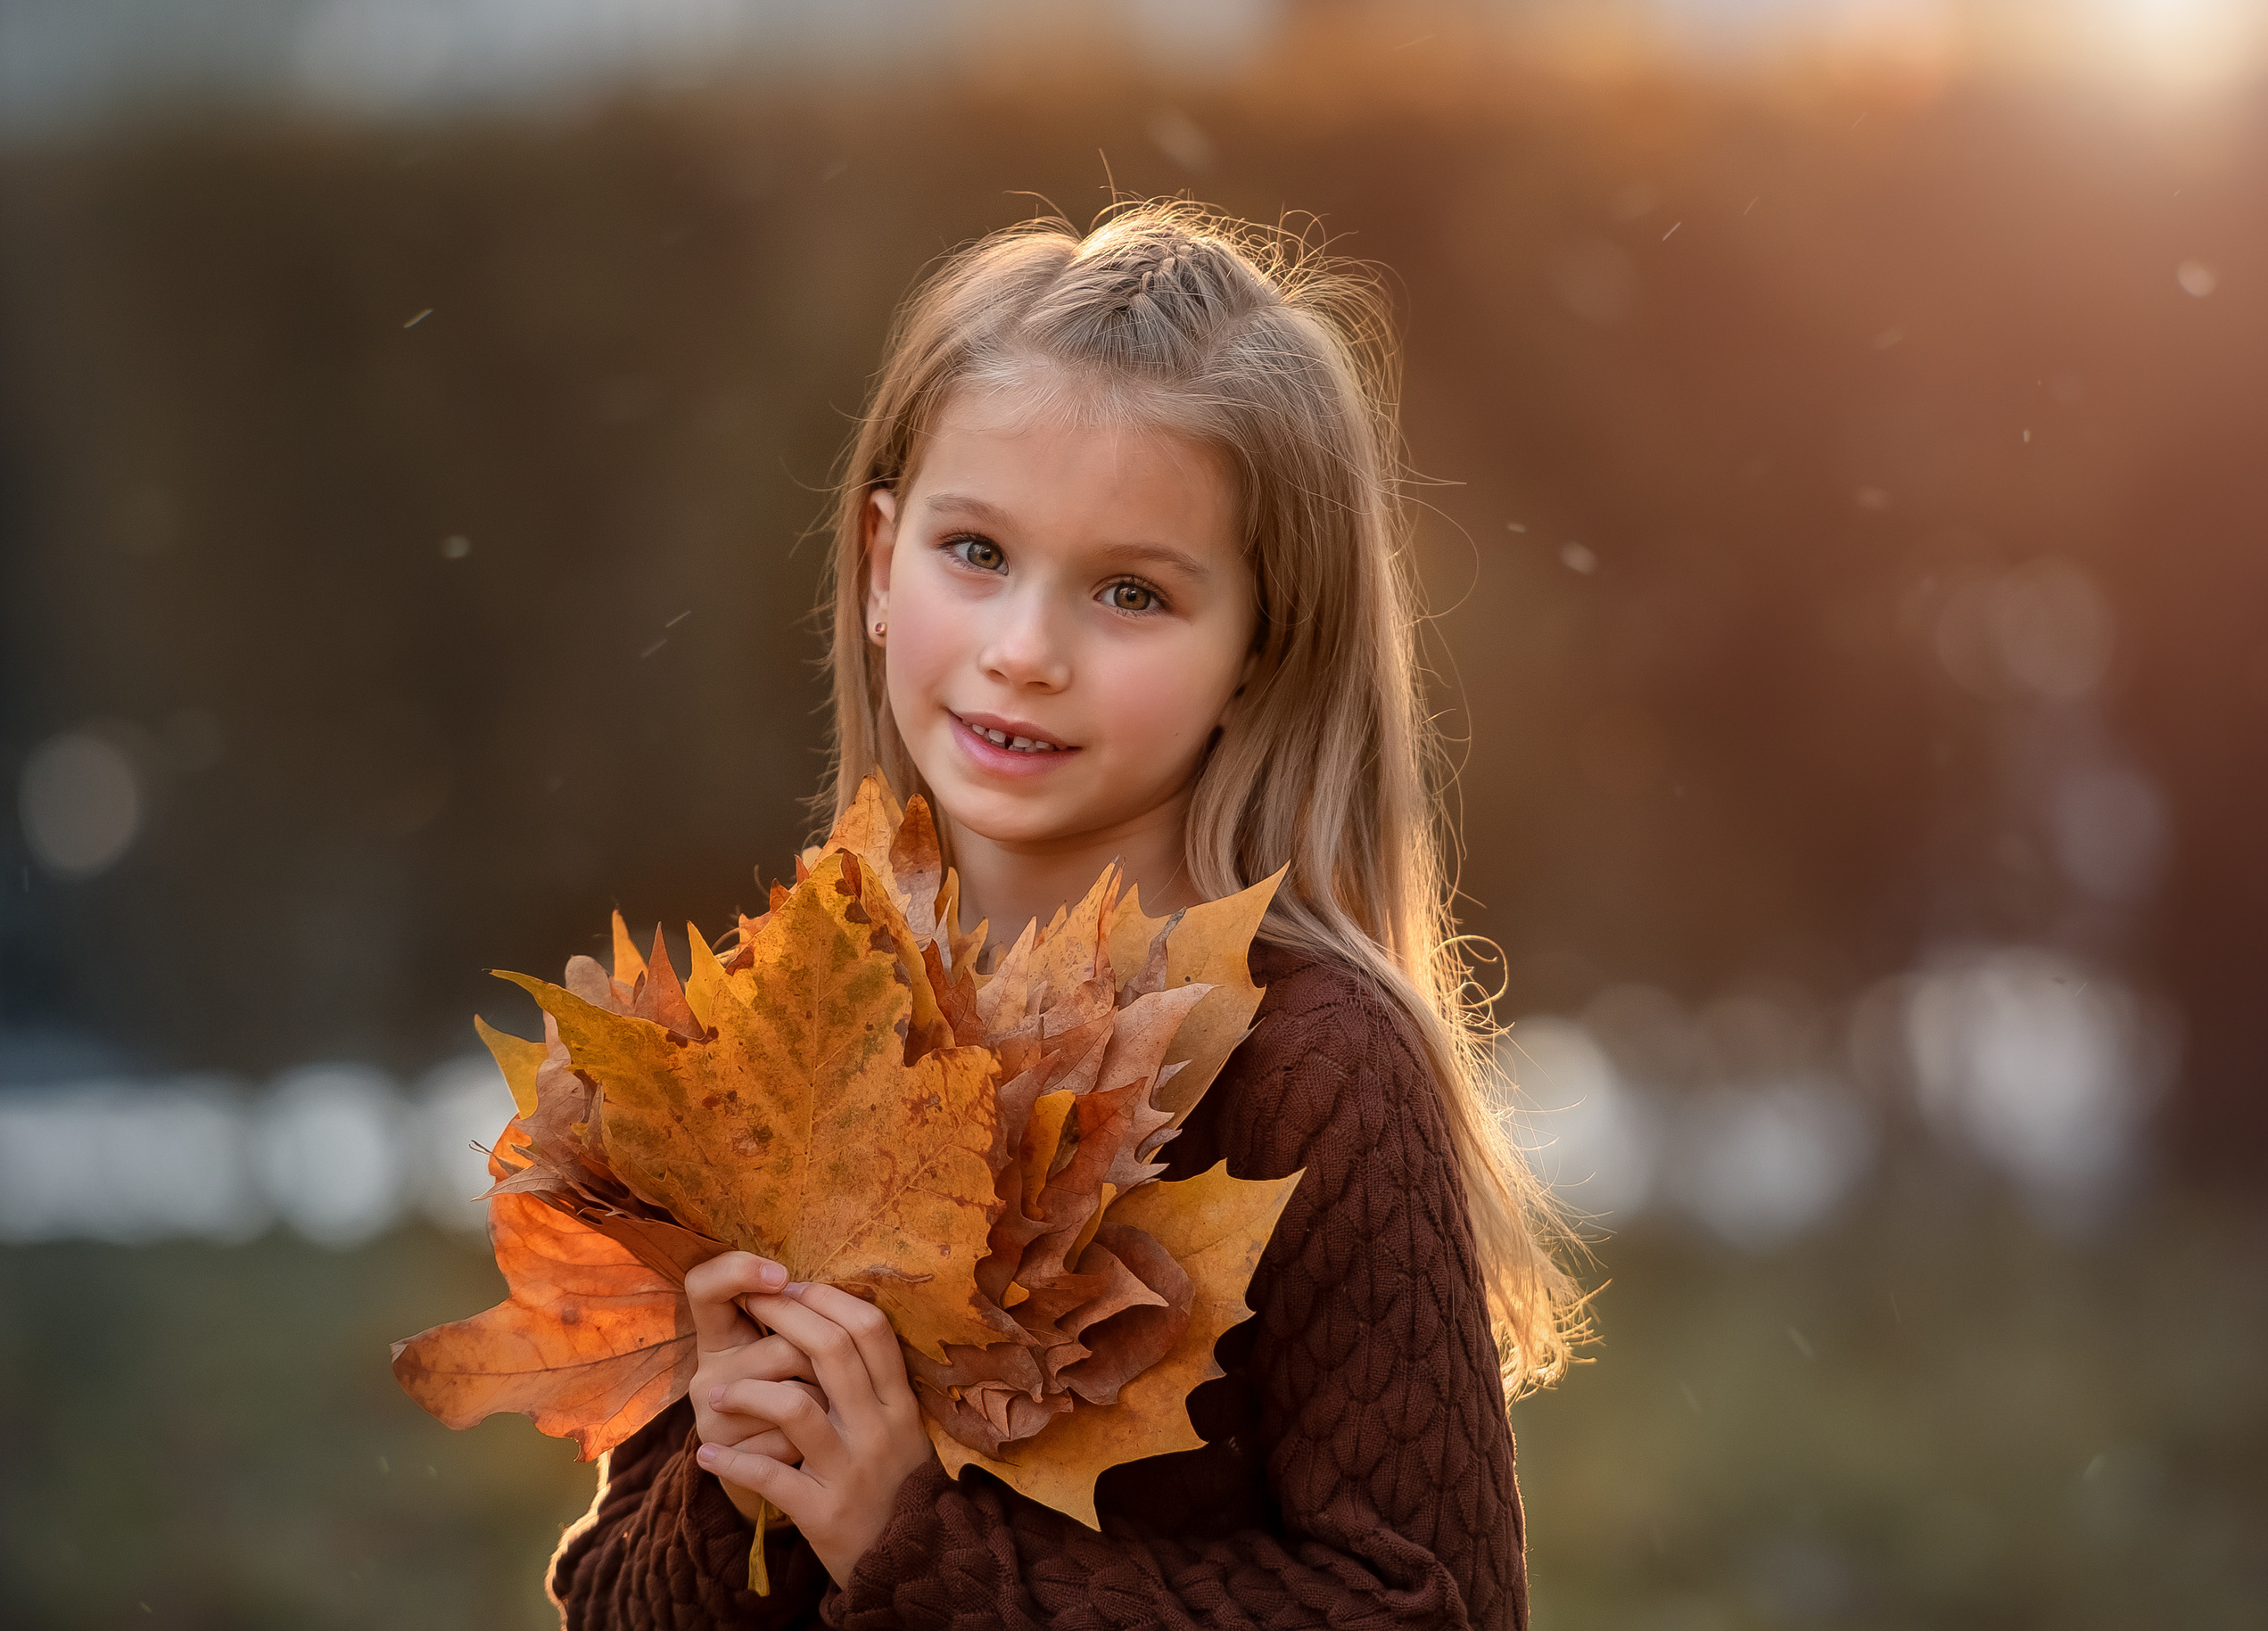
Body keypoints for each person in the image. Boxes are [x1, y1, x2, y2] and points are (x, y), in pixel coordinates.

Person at [547, 200, 1579, 1630]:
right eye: (976, 552)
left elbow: (1433, 1607)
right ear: (879, 566)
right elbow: (612, 1606)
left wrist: (922, 1553)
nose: (1026, 650)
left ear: (1259, 651)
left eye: (1131, 591)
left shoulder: (1316, 1068)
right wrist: (739, 1482)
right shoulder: (783, 1035)